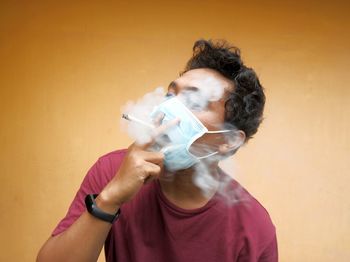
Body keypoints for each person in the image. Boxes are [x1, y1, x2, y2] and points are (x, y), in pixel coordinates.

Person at [37, 39, 277, 262]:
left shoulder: (254, 227)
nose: (169, 107)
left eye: (194, 102)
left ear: (228, 139)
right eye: (171, 95)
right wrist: (110, 198)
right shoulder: (113, 170)